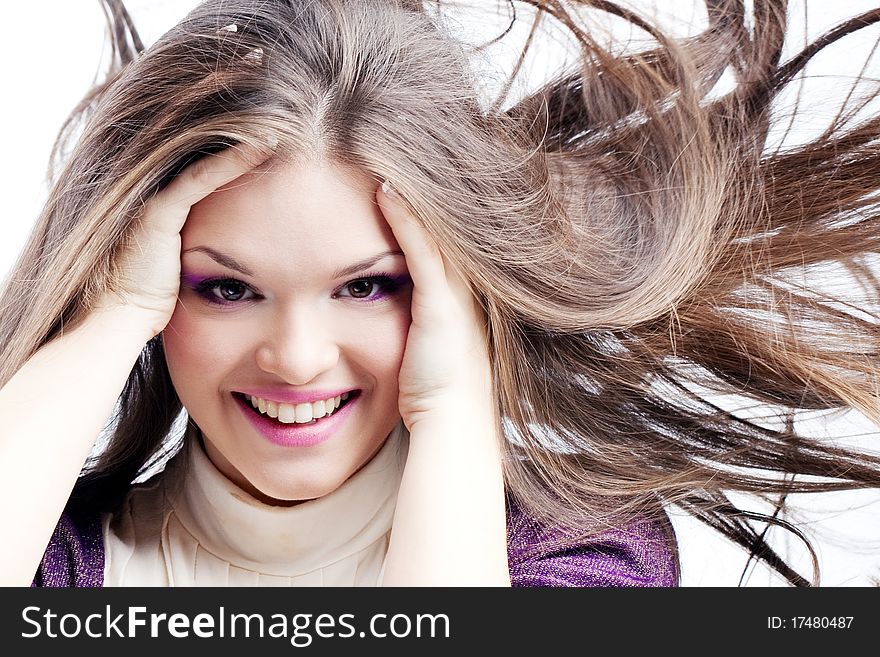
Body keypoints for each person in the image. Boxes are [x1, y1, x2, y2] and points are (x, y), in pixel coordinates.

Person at [1, 0, 878, 587]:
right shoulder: (53, 555)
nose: (297, 356)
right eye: (227, 287)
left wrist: (456, 398)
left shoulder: (583, 553)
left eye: (368, 286)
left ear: (444, 291)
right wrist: (105, 316)